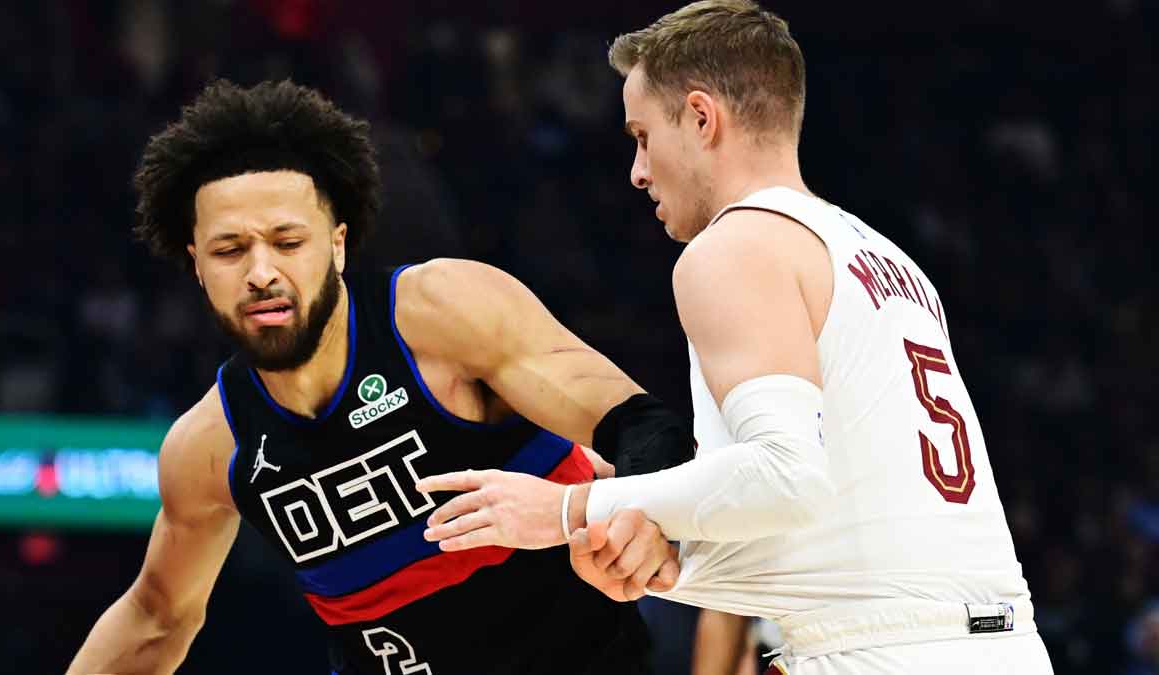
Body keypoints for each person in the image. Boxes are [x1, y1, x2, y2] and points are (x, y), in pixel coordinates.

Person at [415, 2, 1056, 673]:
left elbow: (786, 478)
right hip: (1002, 643)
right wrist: (659, 552)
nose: (636, 170)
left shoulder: (734, 247)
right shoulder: (891, 262)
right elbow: (836, 526)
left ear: (700, 117)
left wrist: (567, 507)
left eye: (641, 135)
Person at [66, 79, 688, 675]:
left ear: (337, 244)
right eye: (230, 251)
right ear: (197, 266)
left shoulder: (442, 313)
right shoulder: (207, 447)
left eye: (287, 241)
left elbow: (639, 426)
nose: (260, 272)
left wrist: (633, 513)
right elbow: (154, 619)